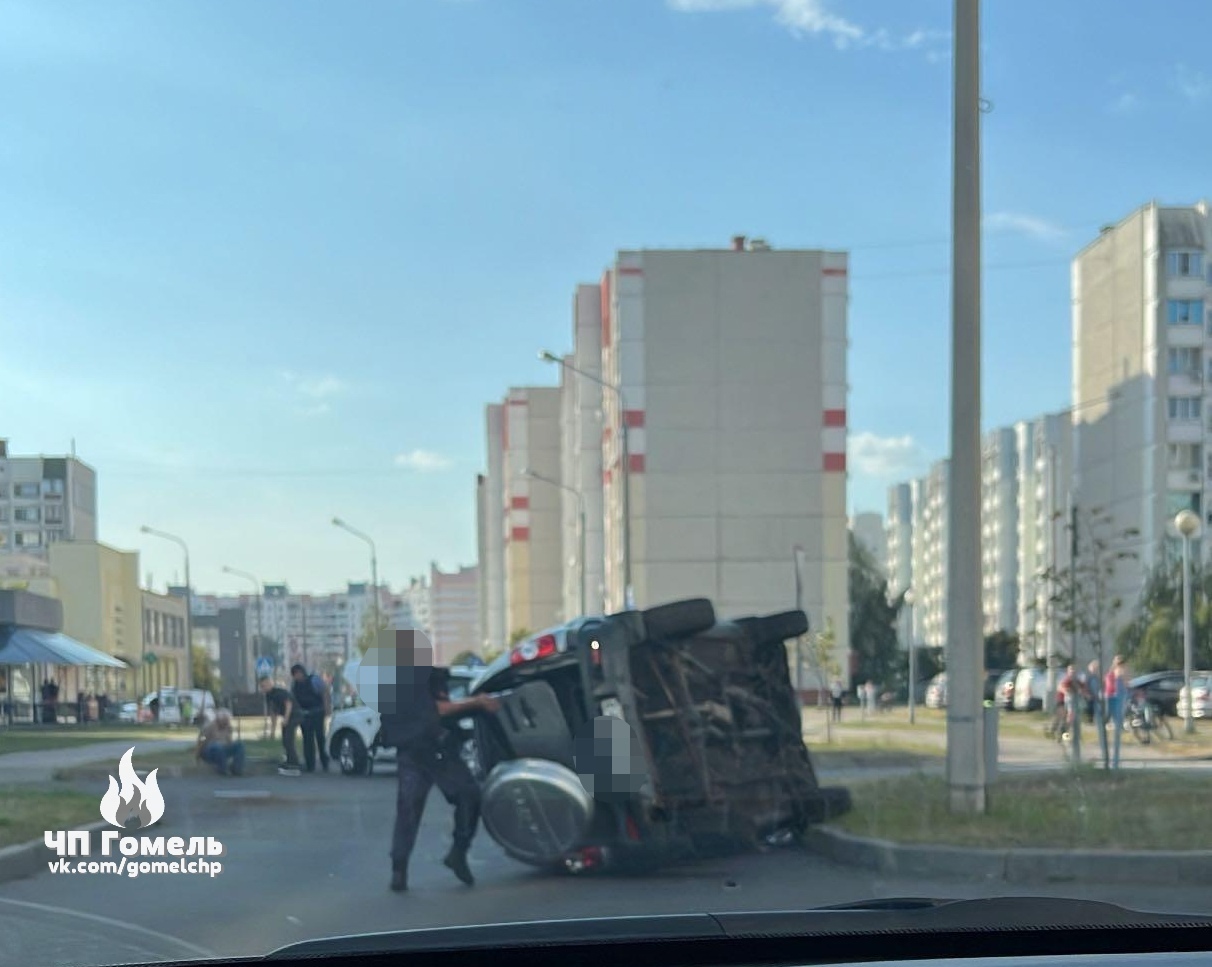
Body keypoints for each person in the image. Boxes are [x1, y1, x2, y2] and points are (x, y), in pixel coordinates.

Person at [381, 660, 500, 893]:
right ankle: (456, 853)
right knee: (468, 795)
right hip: (433, 751)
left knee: (409, 811)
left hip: (414, 751)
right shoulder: (422, 679)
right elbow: (440, 708)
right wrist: (477, 702)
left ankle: (402, 869)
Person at [290, 663, 331, 773]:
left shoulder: (314, 680)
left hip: (317, 712)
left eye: (297, 673)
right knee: (307, 740)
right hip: (305, 715)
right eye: (294, 674)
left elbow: (325, 692)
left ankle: (325, 762)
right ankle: (310, 765)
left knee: (320, 738)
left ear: (302, 672)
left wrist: (327, 708)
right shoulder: (295, 686)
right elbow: (293, 699)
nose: (296, 676)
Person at [259, 676, 300, 776]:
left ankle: (294, 764)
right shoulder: (269, 696)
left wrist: (286, 718)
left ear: (270, 683)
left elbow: (288, 704)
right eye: (261, 686)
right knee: (284, 739)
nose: (263, 688)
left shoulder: (278, 692)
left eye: (264, 685)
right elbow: (273, 712)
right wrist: (272, 730)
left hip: (294, 715)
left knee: (288, 739)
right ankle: (289, 760)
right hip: (287, 717)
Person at [196, 709, 246, 776]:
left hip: (223, 750)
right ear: (218, 720)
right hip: (210, 752)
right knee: (217, 746)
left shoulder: (228, 727)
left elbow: (229, 741)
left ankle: (236, 769)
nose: (226, 723)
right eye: (224, 721)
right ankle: (222, 769)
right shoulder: (210, 726)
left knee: (240, 744)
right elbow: (201, 740)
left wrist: (230, 743)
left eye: (227, 721)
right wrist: (197, 755)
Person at [1104, 654, 1129, 769]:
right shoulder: (1111, 674)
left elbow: (1126, 686)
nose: (1120, 665)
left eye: (1121, 663)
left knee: (1117, 729)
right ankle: (1111, 761)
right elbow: (1109, 687)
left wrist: (1123, 677)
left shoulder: (1123, 674)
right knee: (1112, 728)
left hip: (1119, 701)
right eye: (1118, 663)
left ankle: (1115, 761)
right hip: (1112, 700)